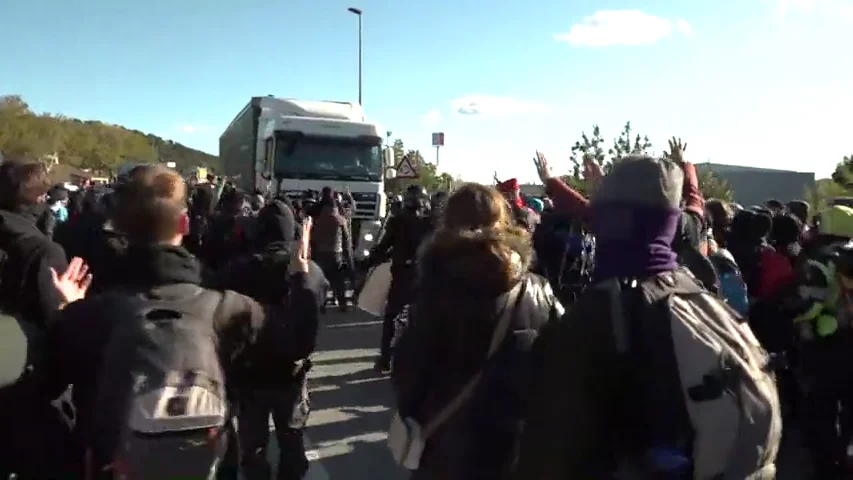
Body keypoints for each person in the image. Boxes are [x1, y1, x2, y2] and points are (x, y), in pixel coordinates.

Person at [44, 165, 320, 479]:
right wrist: (301, 276)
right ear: (184, 222)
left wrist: (67, 311)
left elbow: (49, 388)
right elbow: (298, 341)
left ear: (118, 226)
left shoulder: (91, 315)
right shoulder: (226, 306)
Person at [391, 183, 564, 479]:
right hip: (516, 449)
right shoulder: (538, 290)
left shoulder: (434, 288)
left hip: (446, 446)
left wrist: (414, 417)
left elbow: (409, 376)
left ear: (448, 223)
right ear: (503, 221)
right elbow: (560, 369)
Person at [367, 184, 434, 372]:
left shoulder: (398, 221)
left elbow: (383, 246)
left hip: (402, 274)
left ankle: (385, 358)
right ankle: (421, 358)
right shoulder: (431, 223)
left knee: (391, 316)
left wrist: (372, 260)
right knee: (424, 318)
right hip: (423, 276)